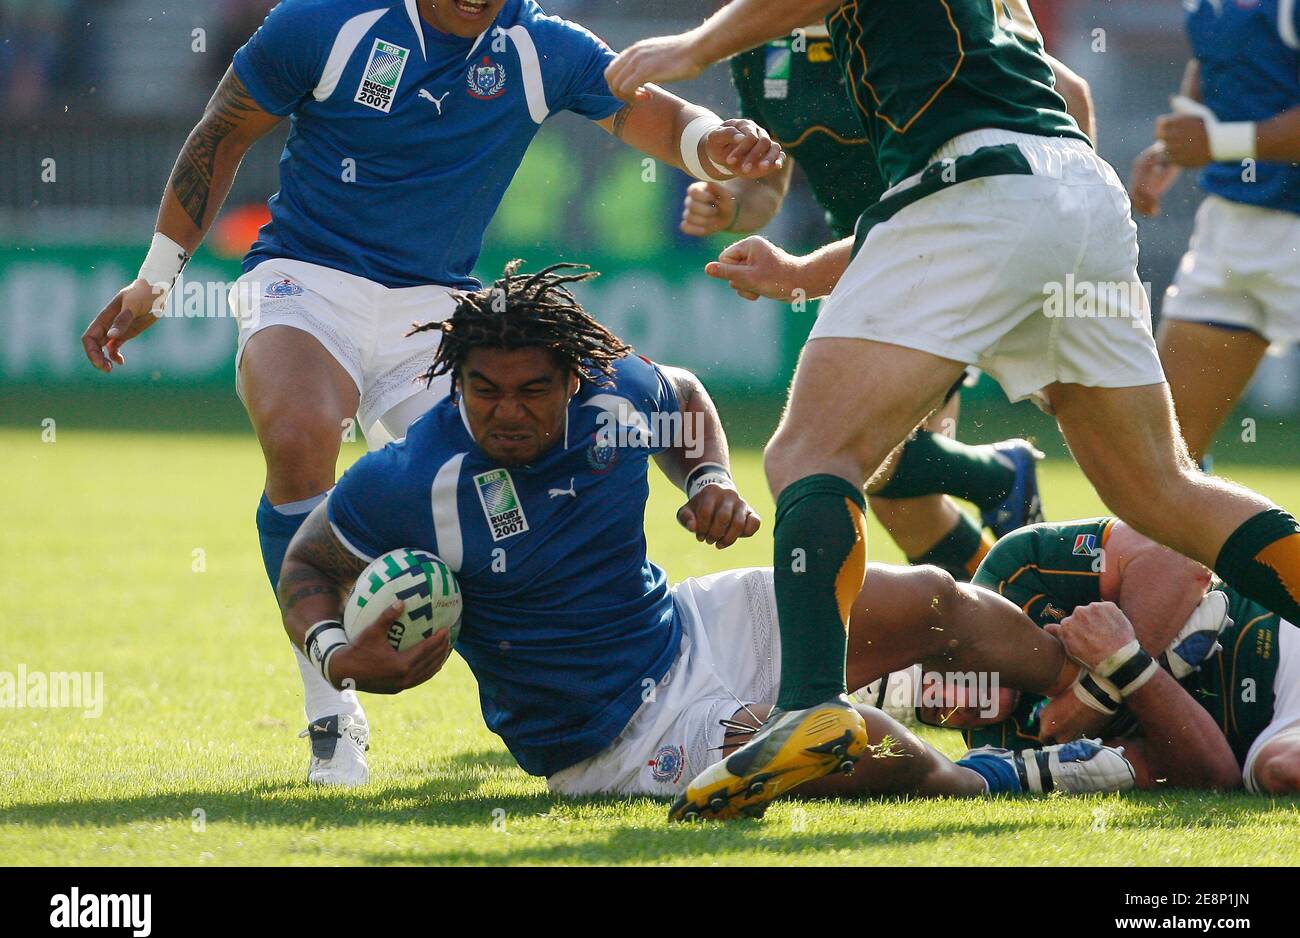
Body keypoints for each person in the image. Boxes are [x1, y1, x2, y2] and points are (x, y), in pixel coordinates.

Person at [605, 0, 1300, 820]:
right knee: (1159, 488)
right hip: (1070, 190)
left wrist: (693, 45)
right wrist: (796, 265)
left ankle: (813, 708)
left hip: (972, 194)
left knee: (809, 454)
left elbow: (963, 168)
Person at [78, 0, 783, 786]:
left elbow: (651, 113)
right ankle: (331, 707)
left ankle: (596, 687)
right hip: (309, 277)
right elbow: (224, 128)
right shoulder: (324, 22)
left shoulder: (538, 46)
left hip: (439, 308)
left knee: (502, 486)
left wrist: (713, 145)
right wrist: (155, 277)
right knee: (300, 429)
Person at [275, 261, 1135, 812]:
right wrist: (334, 655)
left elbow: (684, 394)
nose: (505, 412)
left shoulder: (617, 395)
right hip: (611, 738)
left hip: (686, 625)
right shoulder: (411, 475)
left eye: (532, 390)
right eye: (482, 389)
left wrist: (708, 476)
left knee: (938, 602)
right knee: (820, 740)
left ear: (575, 378)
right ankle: (1013, 777)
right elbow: (309, 560)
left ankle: (1106, 694)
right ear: (455, 379)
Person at [680, 24, 1097, 577]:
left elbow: (1067, 92)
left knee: (826, 454)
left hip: (952, 246)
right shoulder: (761, 40)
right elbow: (767, 185)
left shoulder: (898, 17)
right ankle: (1014, 611)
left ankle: (992, 488)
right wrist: (729, 208)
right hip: (860, 264)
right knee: (905, 506)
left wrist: (1077, 207)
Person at [954, 518, 1300, 795]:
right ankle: (1163, 661)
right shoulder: (999, 750)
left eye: (932, 682)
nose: (950, 705)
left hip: (1285, 623)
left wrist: (1095, 693)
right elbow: (1211, 776)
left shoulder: (1012, 572)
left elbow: (1178, 555)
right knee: (1282, 771)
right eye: (930, 714)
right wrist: (1132, 667)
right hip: (1272, 737)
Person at [1129, 0, 1300, 463]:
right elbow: (1215, 58)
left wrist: (1220, 143)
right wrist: (1175, 144)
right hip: (1233, 226)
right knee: (1162, 459)